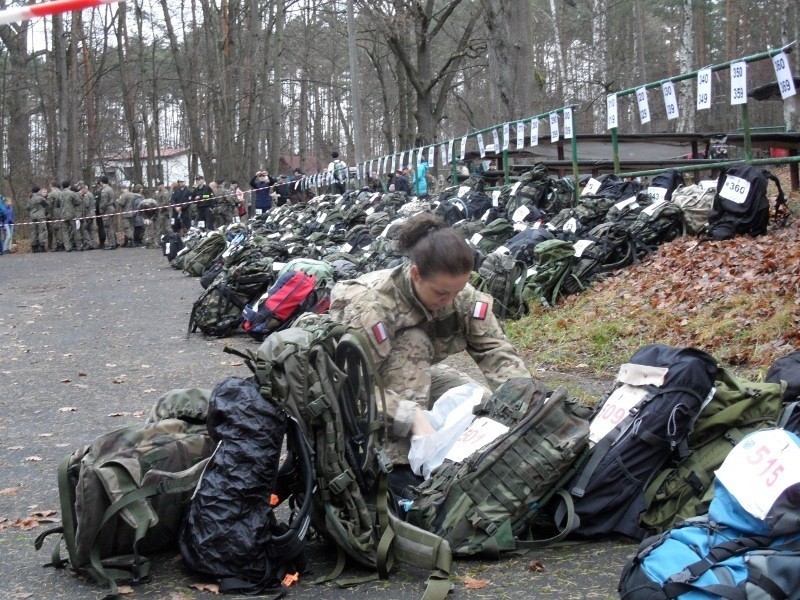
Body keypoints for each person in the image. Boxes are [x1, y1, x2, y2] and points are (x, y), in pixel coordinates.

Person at [328, 213, 531, 483]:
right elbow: (347, 387)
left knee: (482, 403)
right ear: (416, 274)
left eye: (457, 292)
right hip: (360, 390)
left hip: (410, 377)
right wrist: (411, 417)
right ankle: (396, 473)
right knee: (414, 342)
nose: (449, 301)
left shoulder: (462, 297)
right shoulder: (375, 307)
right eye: (441, 293)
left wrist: (529, 403)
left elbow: (496, 352)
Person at [98, 176, 119, 250]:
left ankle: (112, 244)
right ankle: (115, 242)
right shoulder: (111, 189)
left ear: (101, 182)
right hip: (112, 208)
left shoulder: (104, 191)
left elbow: (104, 202)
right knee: (112, 226)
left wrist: (101, 209)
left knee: (108, 227)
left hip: (107, 209)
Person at [27, 187, 48, 253]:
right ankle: (42, 246)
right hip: (40, 216)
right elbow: (47, 204)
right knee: (41, 231)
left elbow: (27, 207)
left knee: (33, 231)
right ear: (38, 191)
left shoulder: (30, 199)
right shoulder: (40, 198)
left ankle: (34, 247)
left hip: (32, 216)